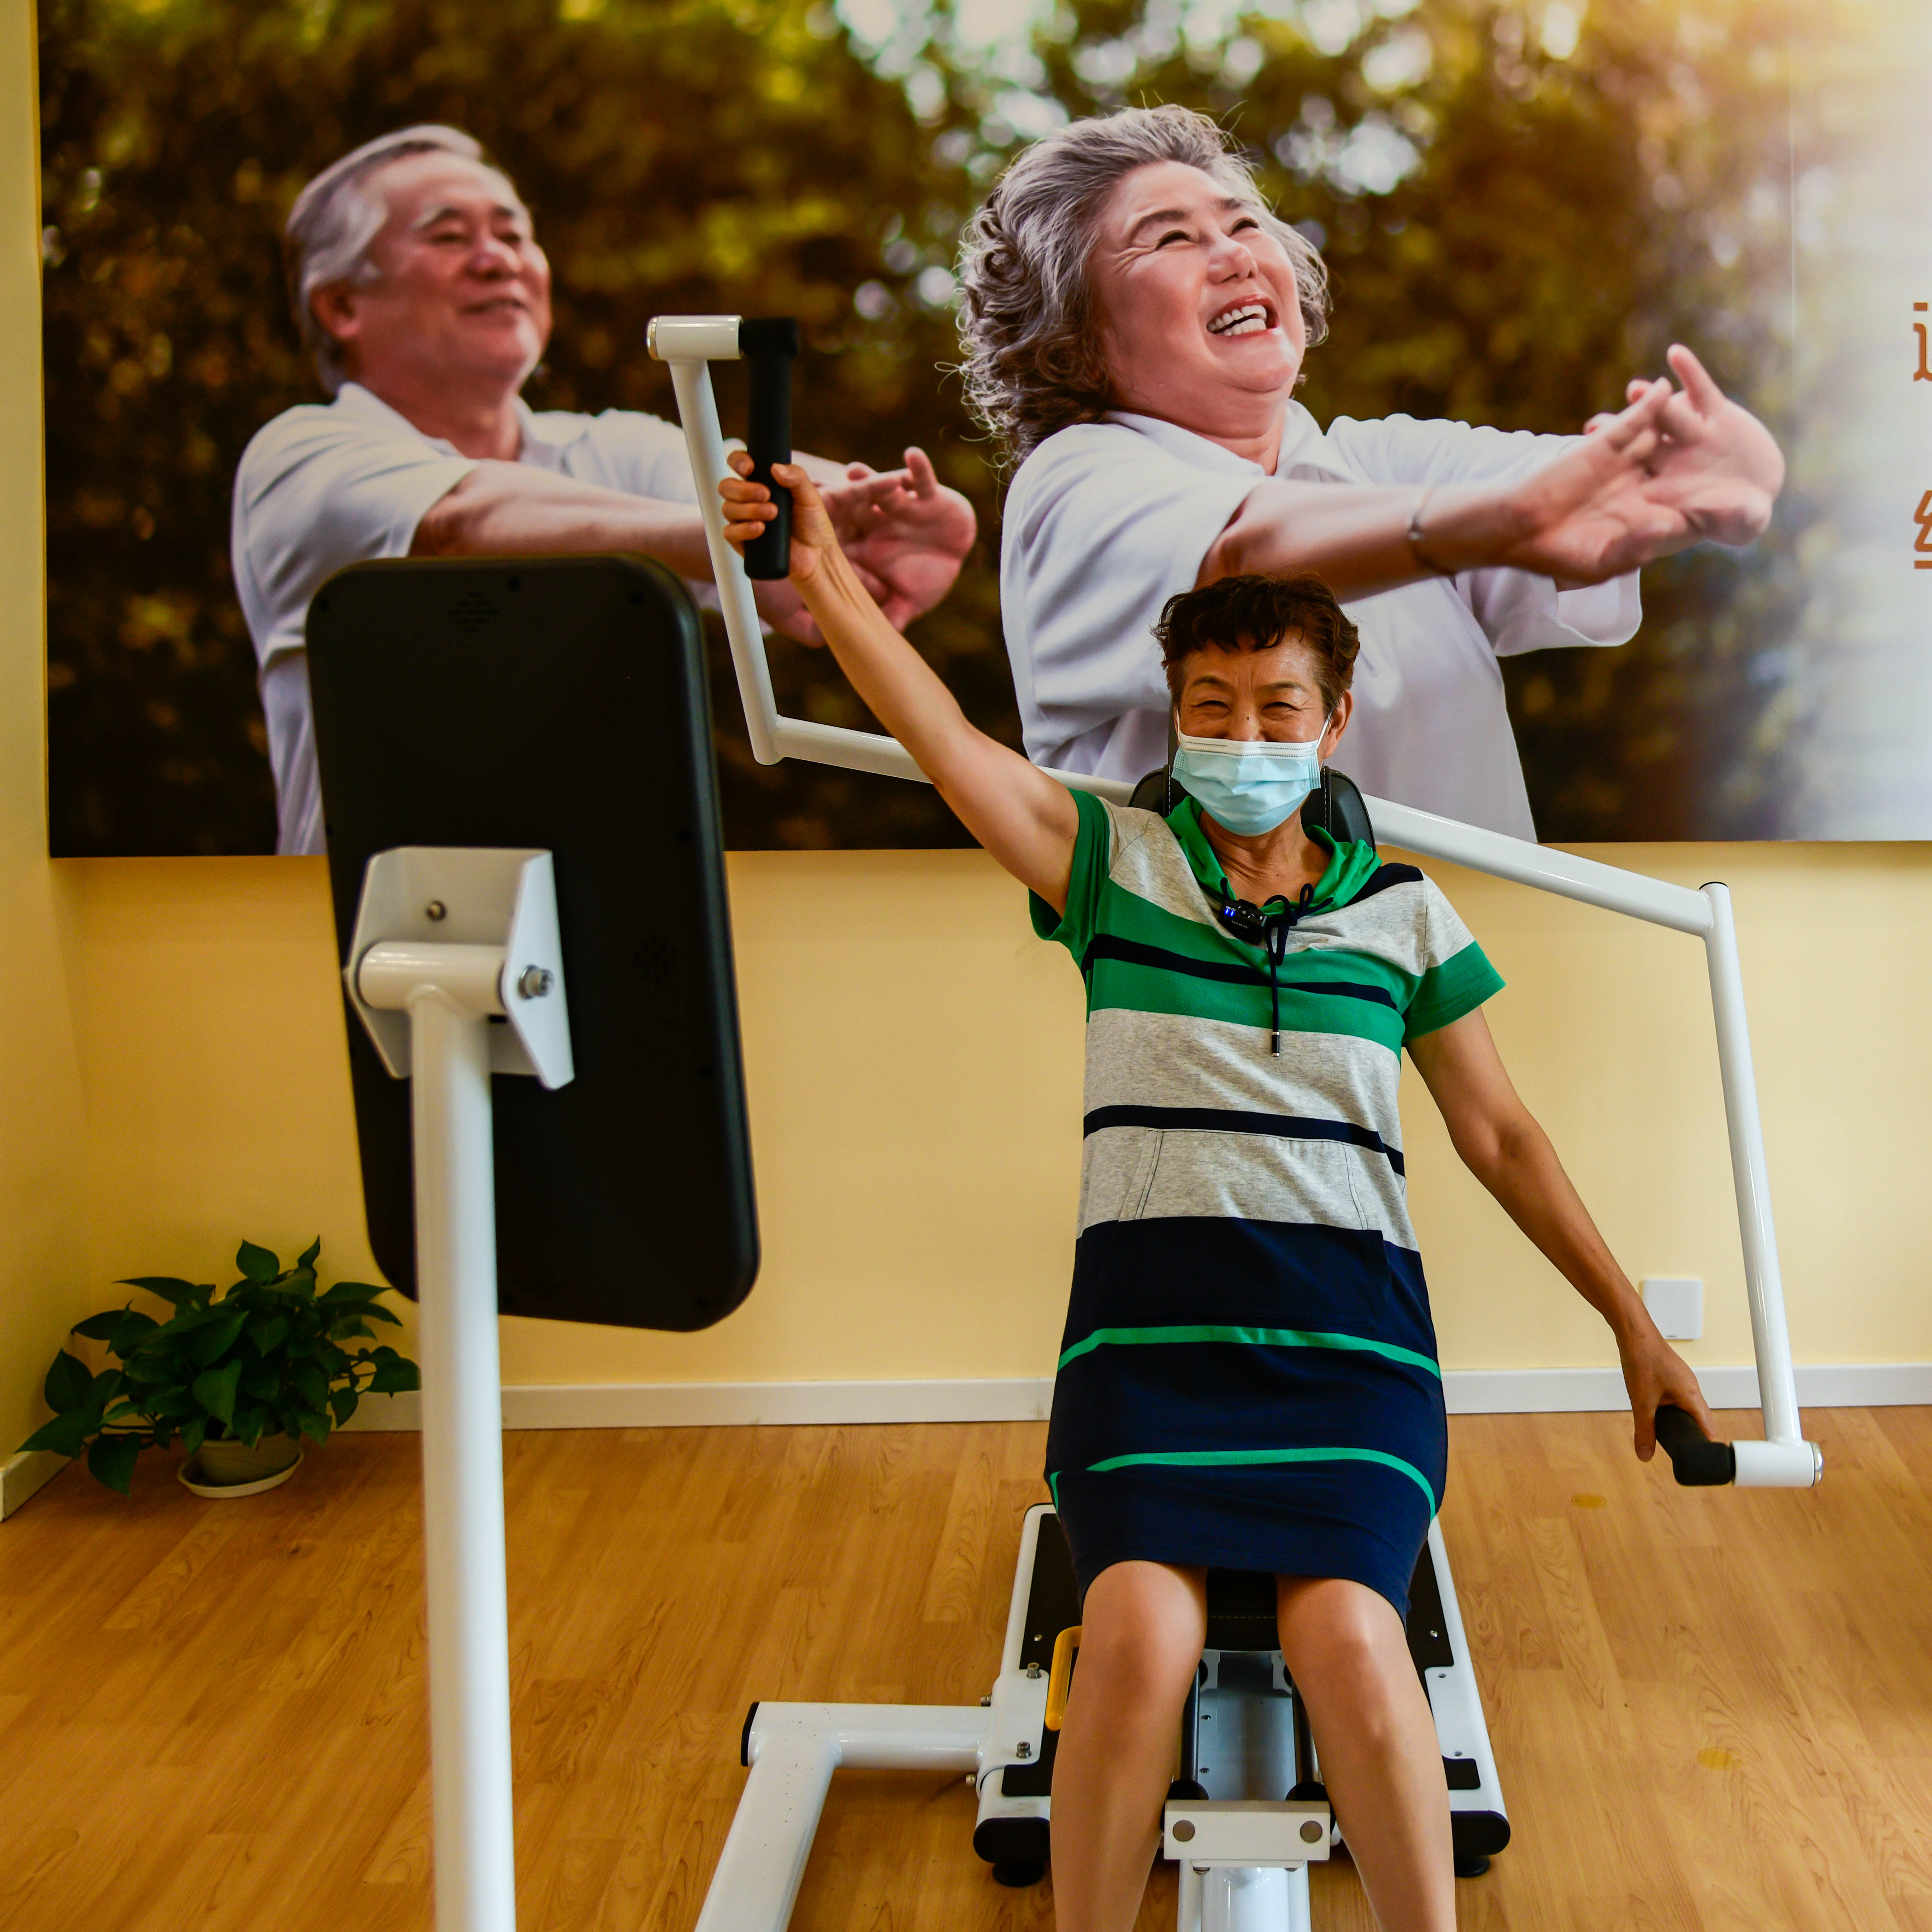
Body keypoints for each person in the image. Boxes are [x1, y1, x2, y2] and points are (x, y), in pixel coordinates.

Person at [718, 453, 1714, 1932]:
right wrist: (819, 570)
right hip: (1149, 1355)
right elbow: (941, 736)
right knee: (1132, 1640)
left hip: (1349, 1354)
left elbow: (1501, 1134)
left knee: (1354, 1643)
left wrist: (1634, 1323)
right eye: (1213, 706)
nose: (1245, 736)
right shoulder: (1105, 867)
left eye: (1279, 709)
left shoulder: (1404, 911)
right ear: (1174, 715)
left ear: (1334, 721)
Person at [956, 104, 1786, 839]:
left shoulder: (1379, 461)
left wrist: (1688, 467)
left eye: (1243, 224)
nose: (1235, 255)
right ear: (1073, 338)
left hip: (1473, 965)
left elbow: (1582, 488)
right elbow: (1241, 561)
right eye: (1170, 237)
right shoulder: (1069, 487)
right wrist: (1508, 518)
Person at [233, 124, 976, 854]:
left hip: (598, 920)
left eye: (514, 234)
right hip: (364, 923)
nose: (498, 260)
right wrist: (743, 534)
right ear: (341, 306)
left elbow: (764, 518)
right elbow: (462, 519)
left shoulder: (611, 449)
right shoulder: (300, 455)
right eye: (449, 236)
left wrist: (868, 522)